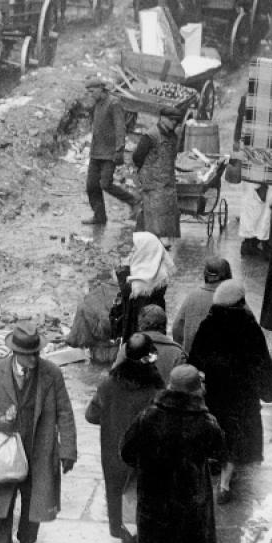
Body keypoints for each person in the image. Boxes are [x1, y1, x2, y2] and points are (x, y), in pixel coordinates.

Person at [121, 364, 227, 543]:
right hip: (192, 503)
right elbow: (219, 454)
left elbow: (126, 451)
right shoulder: (206, 422)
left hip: (154, 499)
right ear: (196, 390)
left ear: (169, 386)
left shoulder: (148, 417)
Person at [0, 320, 77, 543]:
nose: (34, 358)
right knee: (1, 503)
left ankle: (27, 542)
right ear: (15, 353)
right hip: (6, 450)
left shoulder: (51, 373)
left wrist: (68, 450)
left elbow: (65, 411)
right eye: (28, 354)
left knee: (35, 500)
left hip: (39, 448)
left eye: (36, 352)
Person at [187, 280, 272, 503]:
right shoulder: (248, 326)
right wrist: (270, 389)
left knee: (220, 433)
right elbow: (261, 362)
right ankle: (225, 484)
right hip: (242, 398)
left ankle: (216, 468)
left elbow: (195, 360)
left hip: (215, 394)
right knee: (236, 439)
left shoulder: (208, 325)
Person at [86, 334, 164, 543]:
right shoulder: (156, 390)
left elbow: (91, 415)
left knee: (120, 509)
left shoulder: (108, 385)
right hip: (146, 462)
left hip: (114, 459)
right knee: (143, 511)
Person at [83, 76, 137, 226]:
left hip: (109, 153)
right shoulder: (97, 104)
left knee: (105, 184)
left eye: (92, 91)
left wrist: (119, 150)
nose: (90, 95)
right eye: (88, 92)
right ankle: (99, 216)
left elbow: (120, 128)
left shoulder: (114, 103)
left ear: (101, 89)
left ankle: (133, 200)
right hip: (96, 152)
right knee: (91, 186)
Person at [110, 232, 174, 343]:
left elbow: (126, 292)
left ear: (145, 250)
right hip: (153, 332)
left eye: (135, 249)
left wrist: (122, 270)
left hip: (138, 333)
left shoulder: (137, 279)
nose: (132, 252)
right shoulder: (158, 272)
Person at [132, 104, 182, 242]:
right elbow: (137, 157)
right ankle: (152, 240)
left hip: (167, 180)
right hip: (152, 181)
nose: (174, 123)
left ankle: (153, 239)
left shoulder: (173, 136)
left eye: (176, 120)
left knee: (167, 210)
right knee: (153, 211)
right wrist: (147, 172)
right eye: (171, 119)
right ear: (162, 118)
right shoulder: (150, 135)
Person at [171, 256, 232, 351]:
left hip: (193, 356)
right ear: (229, 276)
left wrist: (182, 351)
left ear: (205, 275)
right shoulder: (235, 299)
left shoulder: (192, 296)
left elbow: (176, 328)